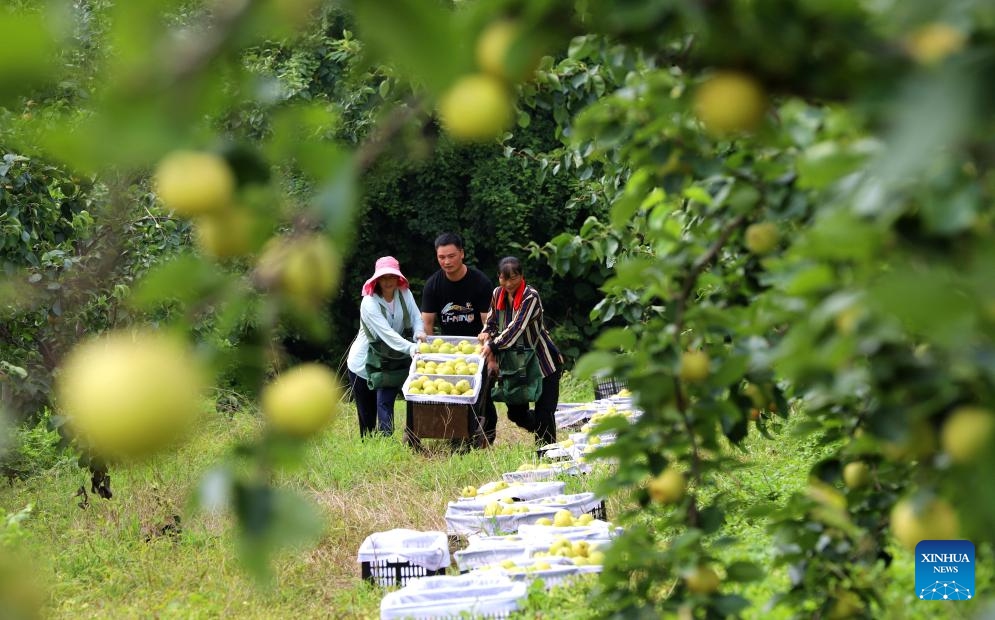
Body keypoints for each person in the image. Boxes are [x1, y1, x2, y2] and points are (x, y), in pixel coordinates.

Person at [421, 232, 499, 445]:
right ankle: (456, 439)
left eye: (451, 256)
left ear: (462, 254)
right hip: (448, 352)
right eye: (441, 257)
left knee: (482, 395)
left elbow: (489, 323)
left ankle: (486, 437)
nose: (446, 262)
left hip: (478, 350)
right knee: (453, 396)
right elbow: (427, 324)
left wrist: (491, 356)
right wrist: (429, 358)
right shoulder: (433, 285)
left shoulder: (480, 282)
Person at [479, 256, 562, 448]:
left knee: (545, 413)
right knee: (515, 413)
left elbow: (516, 328)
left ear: (522, 276)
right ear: (498, 277)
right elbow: (491, 322)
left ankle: (547, 457)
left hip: (543, 362)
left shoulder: (530, 296)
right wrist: (485, 333)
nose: (508, 284)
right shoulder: (497, 293)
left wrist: (492, 345)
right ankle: (539, 427)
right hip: (515, 365)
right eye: (503, 278)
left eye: (513, 278)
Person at [347, 256, 425, 437]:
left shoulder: (404, 293)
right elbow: (387, 335)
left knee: (385, 404)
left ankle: (387, 443)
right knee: (367, 420)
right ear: (377, 279)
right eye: (384, 277)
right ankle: (370, 453)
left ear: (398, 278)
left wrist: (419, 333)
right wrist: (412, 348)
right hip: (363, 364)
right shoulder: (369, 302)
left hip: (390, 360)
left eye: (392, 276)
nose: (388, 281)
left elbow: (416, 317)